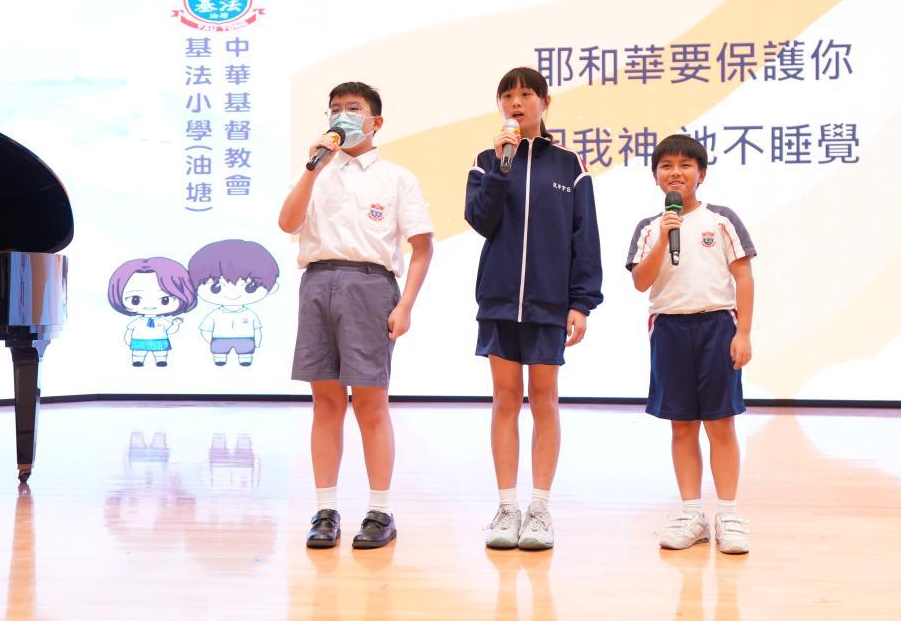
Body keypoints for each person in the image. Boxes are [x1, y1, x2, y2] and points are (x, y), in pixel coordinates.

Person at [277, 81, 434, 551]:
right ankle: (325, 510)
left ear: (375, 122)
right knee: (325, 402)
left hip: (370, 286)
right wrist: (312, 169)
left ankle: (380, 511)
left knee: (370, 403)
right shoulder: (316, 172)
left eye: (352, 109)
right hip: (317, 283)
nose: (341, 116)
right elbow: (287, 223)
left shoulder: (397, 178)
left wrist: (405, 305)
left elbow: (422, 247)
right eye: (334, 110)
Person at [464, 66, 603, 551]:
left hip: (549, 303)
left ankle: (540, 509)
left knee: (544, 401)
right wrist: (500, 172)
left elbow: (585, 236)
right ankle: (507, 508)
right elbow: (481, 221)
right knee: (505, 400)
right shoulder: (486, 160)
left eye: (526, 94)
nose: (517, 103)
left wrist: (581, 302)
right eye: (508, 95)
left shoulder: (569, 165)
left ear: (545, 102)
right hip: (499, 301)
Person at [625, 134, 755, 555]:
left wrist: (743, 332)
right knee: (682, 425)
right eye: (666, 166)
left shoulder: (721, 220)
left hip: (717, 326)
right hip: (669, 329)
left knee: (721, 423)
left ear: (702, 174)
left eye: (685, 165)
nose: (676, 173)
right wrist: (665, 238)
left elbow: (744, 277)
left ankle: (729, 514)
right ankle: (692, 514)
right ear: (655, 177)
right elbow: (641, 281)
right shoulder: (649, 228)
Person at [187, 239, 280, 367]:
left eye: (250, 287)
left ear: (272, 287)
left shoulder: (250, 314)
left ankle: (245, 359)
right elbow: (205, 329)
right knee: (219, 356)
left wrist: (257, 341)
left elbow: (257, 329)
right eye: (216, 287)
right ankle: (220, 358)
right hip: (219, 339)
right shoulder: (216, 314)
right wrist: (211, 341)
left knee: (245, 355)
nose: (233, 294)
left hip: (245, 339)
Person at [107, 257, 197, 368]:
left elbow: (170, 331)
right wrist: (128, 340)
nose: (150, 306)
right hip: (139, 340)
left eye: (165, 300)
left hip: (160, 340)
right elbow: (129, 330)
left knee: (161, 352)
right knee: (138, 352)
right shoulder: (138, 321)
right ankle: (138, 361)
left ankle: (161, 360)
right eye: (135, 300)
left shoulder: (162, 321)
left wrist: (175, 324)